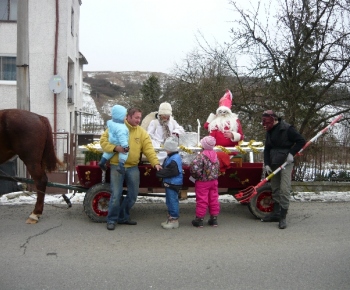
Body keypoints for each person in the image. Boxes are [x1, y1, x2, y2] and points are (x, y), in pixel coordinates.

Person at [100, 107, 162, 231]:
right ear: (128, 117)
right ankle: (111, 219)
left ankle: (123, 217)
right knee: (116, 195)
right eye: (136, 118)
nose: (139, 120)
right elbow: (103, 142)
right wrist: (115, 148)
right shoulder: (116, 127)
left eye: (140, 117)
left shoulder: (141, 132)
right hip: (117, 165)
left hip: (133, 167)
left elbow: (149, 149)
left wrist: (155, 163)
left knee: (133, 195)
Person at [261, 110, 306, 229]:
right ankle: (276, 213)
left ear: (274, 119)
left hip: (286, 161)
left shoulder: (287, 129)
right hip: (273, 161)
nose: (266, 125)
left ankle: (283, 217)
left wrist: (292, 153)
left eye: (267, 122)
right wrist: (267, 164)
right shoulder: (269, 130)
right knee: (275, 188)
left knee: (284, 189)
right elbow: (267, 149)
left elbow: (301, 141)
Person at [189, 136, 220, 228]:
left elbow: (194, 168)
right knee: (213, 199)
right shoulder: (216, 156)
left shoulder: (201, 156)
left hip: (203, 182)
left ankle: (199, 219)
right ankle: (214, 218)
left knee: (202, 200)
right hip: (214, 181)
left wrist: (197, 177)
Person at [155, 136, 183, 229]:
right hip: (170, 182)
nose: (165, 150)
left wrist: (160, 173)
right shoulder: (172, 157)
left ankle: (174, 219)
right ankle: (171, 217)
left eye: (166, 148)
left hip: (173, 183)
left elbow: (172, 171)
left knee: (172, 200)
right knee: (169, 200)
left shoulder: (174, 159)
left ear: (169, 149)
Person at [98, 104, 129, 174]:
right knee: (124, 153)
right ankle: (121, 165)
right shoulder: (122, 127)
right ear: (120, 116)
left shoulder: (112, 123)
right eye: (125, 116)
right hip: (119, 142)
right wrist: (125, 146)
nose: (126, 117)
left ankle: (102, 161)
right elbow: (122, 137)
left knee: (109, 152)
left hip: (112, 140)